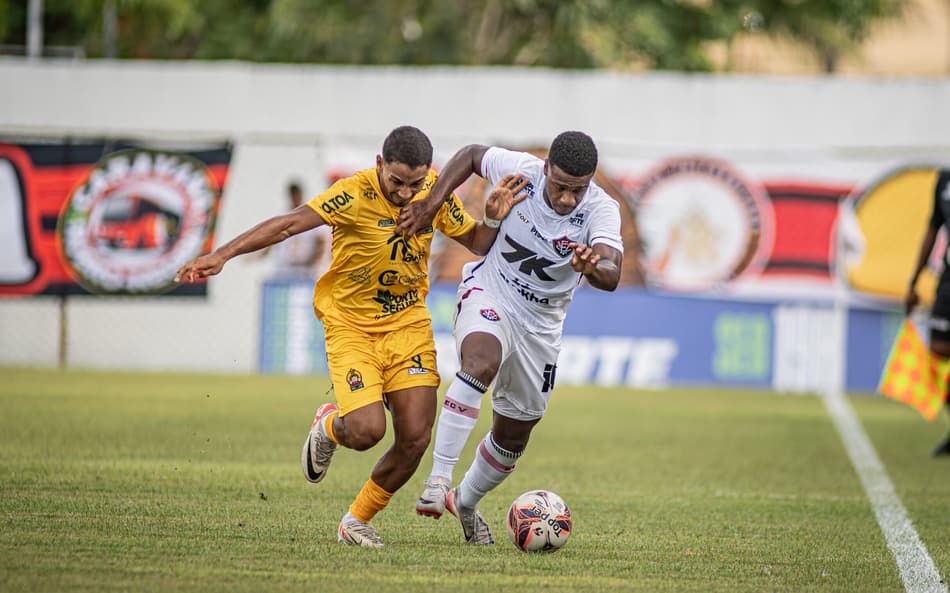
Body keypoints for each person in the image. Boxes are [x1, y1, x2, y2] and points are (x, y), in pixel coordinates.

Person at [174, 126, 528, 546]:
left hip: (408, 326)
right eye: (397, 182)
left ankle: (357, 521)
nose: (404, 192)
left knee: (415, 437)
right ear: (379, 166)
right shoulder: (352, 194)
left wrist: (492, 217)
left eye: (414, 183)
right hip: (351, 326)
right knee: (365, 431)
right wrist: (222, 254)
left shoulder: (433, 194)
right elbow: (289, 225)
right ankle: (329, 427)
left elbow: (476, 241)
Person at [396, 131, 624, 544]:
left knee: (514, 434)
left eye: (579, 189)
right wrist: (430, 205)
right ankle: (437, 480)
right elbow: (468, 155)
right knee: (479, 363)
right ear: (546, 169)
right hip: (491, 292)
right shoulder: (521, 171)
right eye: (560, 187)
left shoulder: (601, 209)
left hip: (541, 326)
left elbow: (612, 272)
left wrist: (593, 267)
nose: (569, 199)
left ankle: (463, 500)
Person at [905, 168, 950, 457]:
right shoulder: (945, 180)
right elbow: (932, 230)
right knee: (938, 351)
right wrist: (914, 281)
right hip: (949, 279)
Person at [267, 180, 332, 279]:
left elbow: (320, 241)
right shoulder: (283, 215)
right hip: (285, 269)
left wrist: (314, 262)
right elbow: (273, 239)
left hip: (306, 270)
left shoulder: (310, 214)